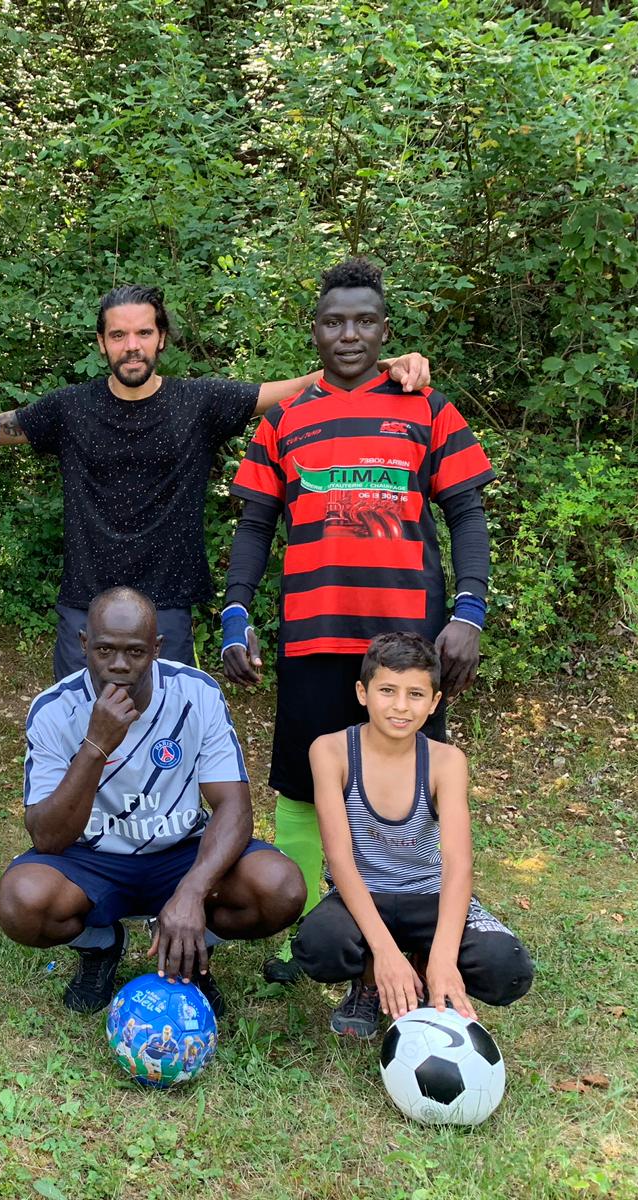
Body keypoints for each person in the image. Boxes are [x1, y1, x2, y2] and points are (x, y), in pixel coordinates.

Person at [220, 257, 496, 985]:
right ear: (314, 330)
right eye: (334, 321)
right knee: (305, 788)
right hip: (313, 633)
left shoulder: (427, 407)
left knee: (407, 798)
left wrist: (470, 610)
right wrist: (235, 613)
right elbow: (255, 524)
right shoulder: (285, 419)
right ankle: (305, 931)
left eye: (364, 321)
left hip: (405, 644)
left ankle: (407, 934)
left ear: (384, 330)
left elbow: (467, 512)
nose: (349, 334)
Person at [0, 284, 431, 679]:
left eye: (144, 332)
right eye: (118, 335)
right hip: (86, 605)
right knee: (82, 741)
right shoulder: (69, 409)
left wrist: (377, 367)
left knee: (169, 747)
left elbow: (288, 391)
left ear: (162, 338)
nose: (132, 345)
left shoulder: (199, 402)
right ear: (101, 343)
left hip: (169, 607)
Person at [0, 587, 306, 1015]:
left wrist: (193, 892)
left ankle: (190, 949)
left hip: (180, 853)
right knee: (21, 901)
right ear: (84, 644)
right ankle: (102, 946)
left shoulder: (196, 694)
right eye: (104, 649)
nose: (119, 665)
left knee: (280, 887)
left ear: (156, 648)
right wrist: (95, 746)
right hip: (92, 858)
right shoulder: (54, 710)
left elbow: (235, 808)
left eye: (135, 652)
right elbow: (48, 838)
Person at [291, 633, 533, 1036]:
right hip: (363, 896)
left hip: (428, 896)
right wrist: (384, 953)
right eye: (387, 690)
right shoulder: (330, 752)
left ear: (434, 702)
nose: (401, 706)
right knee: (318, 944)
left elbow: (458, 866)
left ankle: (424, 964)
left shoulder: (446, 761)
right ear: (362, 692)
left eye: (416, 694)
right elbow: (340, 861)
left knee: (507, 967)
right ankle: (369, 979)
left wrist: (443, 955)